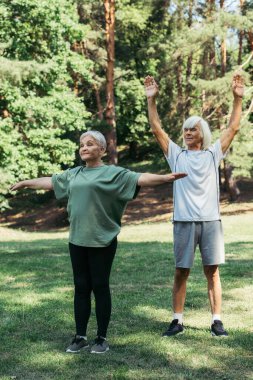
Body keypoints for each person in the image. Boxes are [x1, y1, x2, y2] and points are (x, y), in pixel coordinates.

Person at [10, 130, 187, 354]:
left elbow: (140, 178)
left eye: (90, 144)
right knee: (81, 287)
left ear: (102, 150)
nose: (84, 147)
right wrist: (25, 182)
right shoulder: (74, 174)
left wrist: (166, 178)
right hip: (77, 240)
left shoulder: (113, 173)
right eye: (82, 144)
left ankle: (101, 338)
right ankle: (80, 336)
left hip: (102, 240)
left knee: (100, 287)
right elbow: (51, 182)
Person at [144, 73, 244, 337]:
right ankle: (177, 320)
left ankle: (216, 321)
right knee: (181, 271)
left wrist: (237, 99)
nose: (188, 133)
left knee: (212, 273)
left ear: (203, 134)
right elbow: (156, 129)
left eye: (193, 129)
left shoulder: (212, 155)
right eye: (186, 129)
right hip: (184, 222)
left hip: (211, 222)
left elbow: (233, 128)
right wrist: (151, 100)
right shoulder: (176, 155)